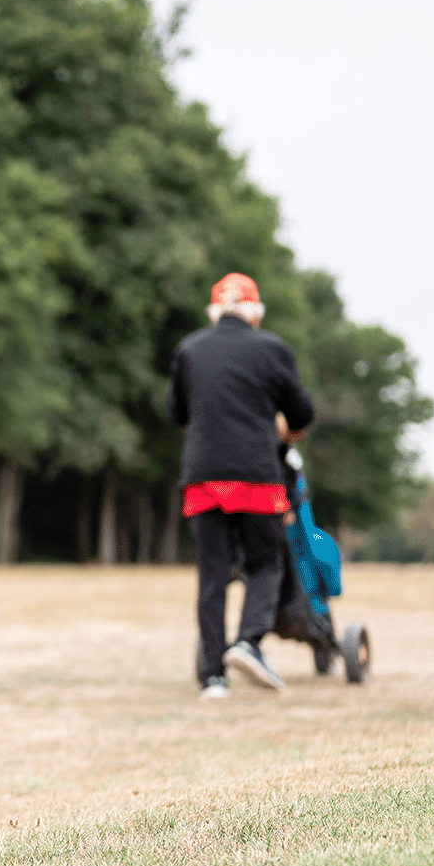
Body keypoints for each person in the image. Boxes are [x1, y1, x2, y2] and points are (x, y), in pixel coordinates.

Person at [167, 272, 315, 698]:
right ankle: (248, 643)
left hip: (202, 477)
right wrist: (288, 430)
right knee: (266, 563)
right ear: (255, 311)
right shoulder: (272, 348)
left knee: (212, 574)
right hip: (256, 475)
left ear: (214, 311)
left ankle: (213, 678)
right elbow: (301, 412)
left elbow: (176, 413)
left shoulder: (189, 349)